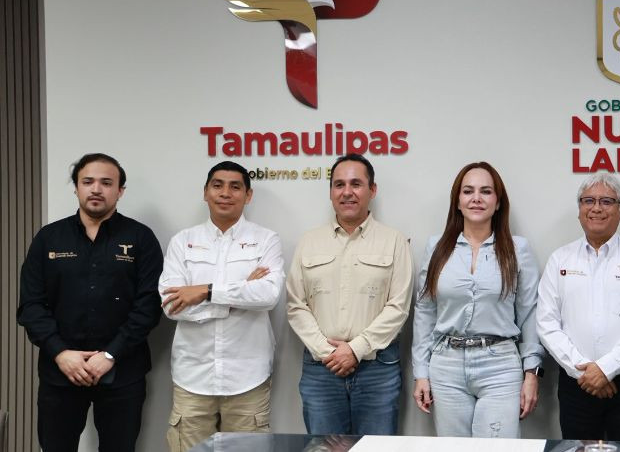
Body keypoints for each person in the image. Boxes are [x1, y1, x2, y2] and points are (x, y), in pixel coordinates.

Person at [17, 153, 163, 452]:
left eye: (106, 183)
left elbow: (149, 305)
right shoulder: (48, 238)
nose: (96, 189)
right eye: (88, 181)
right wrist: (60, 353)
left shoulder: (141, 238)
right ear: (76, 188)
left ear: (120, 191)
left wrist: (110, 354)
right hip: (60, 371)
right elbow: (31, 304)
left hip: (123, 371)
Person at [158, 161, 285, 452]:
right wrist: (240, 295)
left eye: (235, 187)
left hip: (248, 378)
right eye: (217, 185)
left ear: (248, 195)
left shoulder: (266, 240)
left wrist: (204, 291)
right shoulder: (183, 242)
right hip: (192, 377)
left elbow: (268, 295)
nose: (225, 193)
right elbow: (172, 305)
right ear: (205, 192)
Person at [411, 162, 544, 437]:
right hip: (446, 365)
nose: (476, 198)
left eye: (486, 191)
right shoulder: (437, 247)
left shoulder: (518, 249)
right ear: (457, 202)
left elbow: (530, 313)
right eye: (468, 191)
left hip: (500, 366)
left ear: (498, 202)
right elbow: (425, 311)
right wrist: (421, 372)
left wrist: (531, 372)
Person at [286, 153, 413, 435]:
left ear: (372, 190)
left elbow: (399, 306)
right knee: (324, 448)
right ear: (331, 192)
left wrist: (355, 350)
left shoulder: (394, 241)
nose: (347, 192)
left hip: (377, 370)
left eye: (356, 184)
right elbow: (296, 304)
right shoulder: (309, 241)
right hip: (322, 369)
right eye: (339, 184)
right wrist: (329, 353)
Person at [537, 173, 620, 442]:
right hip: (577, 383)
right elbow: (547, 324)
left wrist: (606, 369)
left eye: (607, 201)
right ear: (579, 209)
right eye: (589, 201)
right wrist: (586, 374)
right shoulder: (560, 259)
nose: (596, 208)